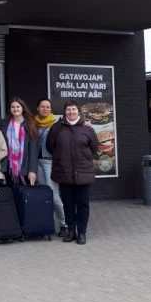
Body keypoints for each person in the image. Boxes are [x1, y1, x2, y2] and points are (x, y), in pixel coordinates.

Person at [46, 100, 98, 245]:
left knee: (82, 204)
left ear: (78, 111)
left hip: (83, 172)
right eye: (68, 110)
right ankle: (70, 231)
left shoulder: (87, 128)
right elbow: (50, 146)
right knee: (68, 204)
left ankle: (82, 233)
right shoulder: (57, 128)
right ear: (64, 112)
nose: (71, 112)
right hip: (64, 172)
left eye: (74, 109)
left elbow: (94, 147)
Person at [35, 98, 68, 237]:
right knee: (43, 196)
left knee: (54, 195)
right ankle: (47, 225)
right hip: (37, 162)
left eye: (47, 107)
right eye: (42, 106)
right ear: (38, 108)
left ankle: (64, 224)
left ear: (51, 109)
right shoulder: (33, 123)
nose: (44, 109)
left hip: (50, 162)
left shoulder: (58, 123)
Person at [0, 98, 39, 187]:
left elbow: (33, 149)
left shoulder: (30, 123)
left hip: (25, 165)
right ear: (10, 109)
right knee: (10, 193)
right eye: (13, 107)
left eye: (18, 106)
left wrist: (32, 170)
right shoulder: (4, 123)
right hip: (8, 165)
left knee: (24, 195)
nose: (15, 109)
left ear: (23, 108)